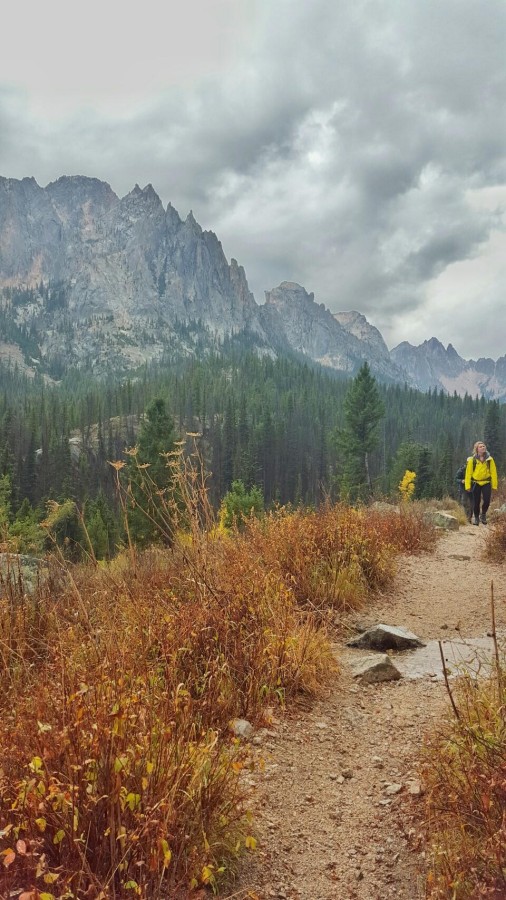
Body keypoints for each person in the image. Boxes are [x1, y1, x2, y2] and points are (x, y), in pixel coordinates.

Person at [464, 441, 498, 525]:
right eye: (480, 446)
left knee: (486, 501)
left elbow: (494, 473)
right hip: (476, 483)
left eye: (484, 446)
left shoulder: (490, 459)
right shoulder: (472, 460)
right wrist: (467, 485)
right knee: (476, 501)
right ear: (477, 449)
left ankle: (483, 514)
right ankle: (476, 518)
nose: (483, 447)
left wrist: (494, 486)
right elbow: (468, 473)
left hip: (486, 482)